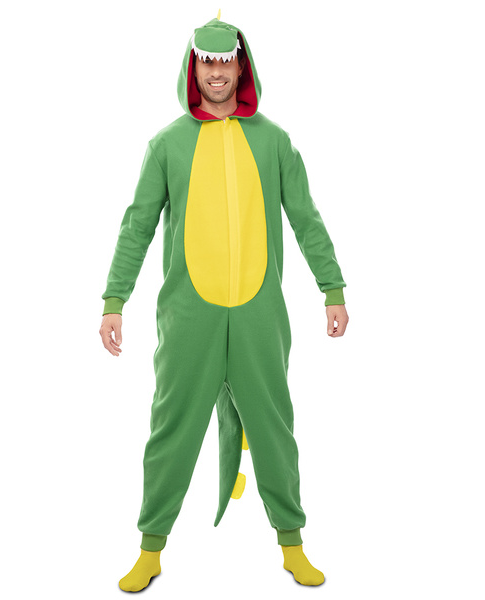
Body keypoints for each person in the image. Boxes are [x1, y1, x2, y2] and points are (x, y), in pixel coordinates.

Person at [99, 13, 348, 592]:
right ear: (194, 67)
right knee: (170, 430)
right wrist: (115, 299)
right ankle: (150, 548)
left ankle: (292, 543)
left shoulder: (274, 141)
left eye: (225, 60)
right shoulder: (166, 145)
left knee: (275, 427)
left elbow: (306, 218)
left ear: (241, 64)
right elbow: (137, 226)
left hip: (261, 313)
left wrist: (331, 288)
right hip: (188, 315)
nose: (216, 72)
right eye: (206, 61)